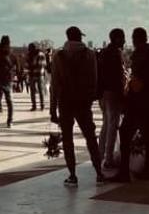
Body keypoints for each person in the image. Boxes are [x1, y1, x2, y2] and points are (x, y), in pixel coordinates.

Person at [50, 26, 105, 187]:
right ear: (79, 37)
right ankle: (99, 173)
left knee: (68, 140)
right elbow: (94, 80)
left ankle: (72, 175)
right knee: (90, 138)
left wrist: (53, 109)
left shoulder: (58, 56)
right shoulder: (89, 54)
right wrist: (89, 99)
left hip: (65, 102)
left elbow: (54, 84)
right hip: (82, 102)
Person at [110, 27, 149, 182]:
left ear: (136, 39)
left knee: (125, 133)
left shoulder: (140, 54)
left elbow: (138, 80)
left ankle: (124, 171)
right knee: (148, 135)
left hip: (139, 100)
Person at [97, 28, 126, 169]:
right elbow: (119, 76)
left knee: (106, 124)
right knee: (112, 126)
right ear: (117, 39)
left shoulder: (103, 52)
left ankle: (100, 154)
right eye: (123, 38)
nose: (125, 41)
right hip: (113, 92)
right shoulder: (116, 53)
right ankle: (108, 158)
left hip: (103, 92)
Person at [27, 43, 46, 111]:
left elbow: (41, 64)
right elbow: (27, 64)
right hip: (32, 74)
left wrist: (31, 67)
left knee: (40, 90)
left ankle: (42, 105)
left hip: (39, 74)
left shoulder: (40, 54)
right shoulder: (30, 55)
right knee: (32, 91)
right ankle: (34, 105)